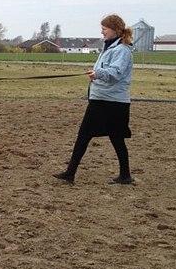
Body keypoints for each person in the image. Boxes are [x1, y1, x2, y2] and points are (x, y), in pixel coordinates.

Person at [54, 14, 134, 185]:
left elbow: (115, 74)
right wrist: (96, 74)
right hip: (102, 99)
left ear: (114, 29)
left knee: (95, 136)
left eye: (104, 29)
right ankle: (72, 172)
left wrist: (98, 74)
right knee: (104, 137)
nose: (102, 32)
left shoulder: (122, 50)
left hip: (111, 102)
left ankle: (71, 173)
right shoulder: (109, 48)